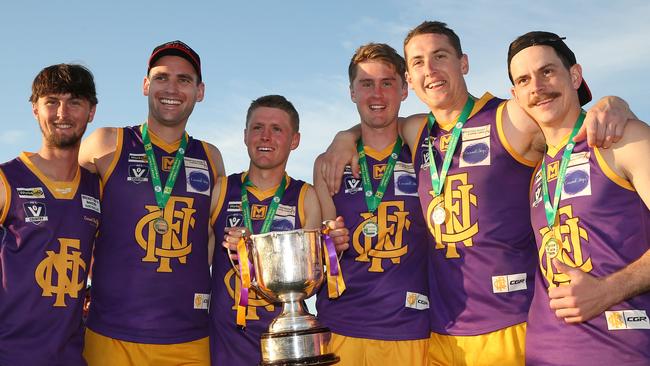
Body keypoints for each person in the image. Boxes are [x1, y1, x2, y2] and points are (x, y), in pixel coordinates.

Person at [321, 21, 636, 365]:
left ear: (464, 63)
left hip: (509, 326)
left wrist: (613, 103)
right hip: (443, 332)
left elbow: (566, 113)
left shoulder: (510, 118)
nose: (431, 70)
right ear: (410, 80)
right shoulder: (416, 130)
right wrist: (344, 137)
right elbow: (376, 119)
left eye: (440, 56)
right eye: (418, 62)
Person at [79, 40, 225, 365]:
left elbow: (212, 237)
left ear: (199, 91)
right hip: (111, 337)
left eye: (184, 80)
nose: (171, 87)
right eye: (161, 77)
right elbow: (56, 189)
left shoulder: (211, 157)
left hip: (190, 338)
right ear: (146, 85)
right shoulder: (107, 142)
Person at [508, 31, 650, 366]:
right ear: (516, 95)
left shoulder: (622, 138)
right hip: (542, 354)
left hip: (619, 352)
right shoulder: (536, 169)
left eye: (547, 72)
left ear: (574, 76)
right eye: (525, 80)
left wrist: (608, 290)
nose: (537, 88)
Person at [313, 43, 430, 365]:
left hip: (410, 328)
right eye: (366, 84)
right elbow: (323, 243)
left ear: (405, 89)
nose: (376, 94)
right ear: (352, 91)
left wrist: (344, 134)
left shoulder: (424, 148)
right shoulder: (328, 163)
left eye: (387, 83)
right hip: (341, 327)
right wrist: (330, 239)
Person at [210, 94, 348, 365]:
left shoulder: (305, 195)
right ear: (245, 135)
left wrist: (332, 246)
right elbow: (199, 263)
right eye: (258, 128)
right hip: (227, 343)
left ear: (294, 140)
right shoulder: (221, 189)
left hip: (287, 342)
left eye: (277, 129)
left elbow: (311, 280)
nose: (265, 137)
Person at [0, 64, 100, 365]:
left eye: (75, 102)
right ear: (35, 109)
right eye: (52, 101)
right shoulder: (7, 181)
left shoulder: (98, 188)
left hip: (71, 355)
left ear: (91, 112)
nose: (62, 113)